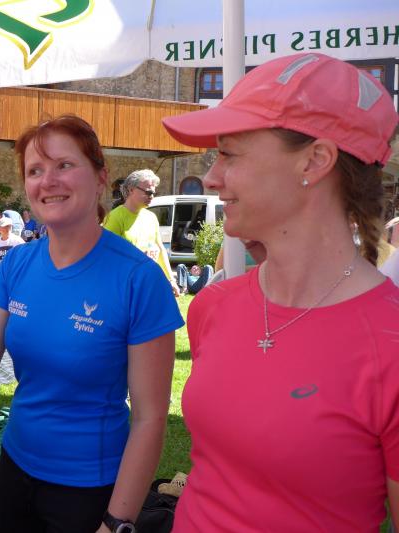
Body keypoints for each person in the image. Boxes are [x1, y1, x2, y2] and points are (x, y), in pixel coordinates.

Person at [161, 52, 399, 531]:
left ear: (315, 160)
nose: (211, 177)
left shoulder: (389, 343)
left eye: (229, 153)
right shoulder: (213, 306)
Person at [0, 115, 184, 532]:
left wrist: (117, 522)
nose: (48, 181)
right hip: (15, 466)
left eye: (64, 165)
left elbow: (150, 418)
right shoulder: (18, 264)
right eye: (35, 170)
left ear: (100, 177)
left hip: (90, 487)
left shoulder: (139, 279)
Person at [103, 169, 180, 296]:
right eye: (148, 192)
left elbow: (160, 250)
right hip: (123, 287)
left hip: (147, 284)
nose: (152, 196)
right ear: (131, 189)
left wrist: (171, 279)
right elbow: (106, 256)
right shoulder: (115, 217)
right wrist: (139, 257)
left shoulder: (151, 217)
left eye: (154, 193)